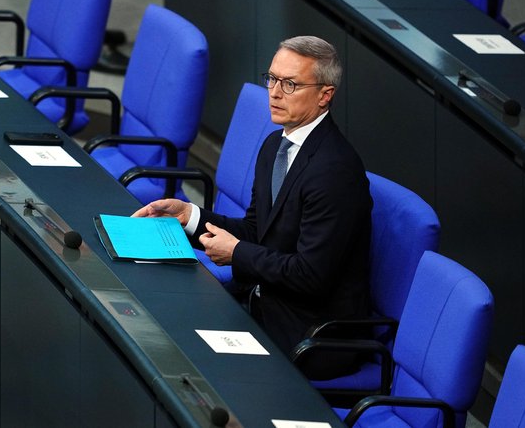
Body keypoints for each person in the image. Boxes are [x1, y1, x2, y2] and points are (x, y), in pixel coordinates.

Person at [133, 36, 372, 380]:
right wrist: (190, 216)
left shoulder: (335, 171)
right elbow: (258, 231)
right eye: (272, 79)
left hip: (312, 334)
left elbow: (311, 276)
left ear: (325, 95)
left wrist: (238, 254)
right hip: (267, 301)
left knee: (194, 363)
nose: (274, 92)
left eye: (290, 84)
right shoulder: (277, 143)